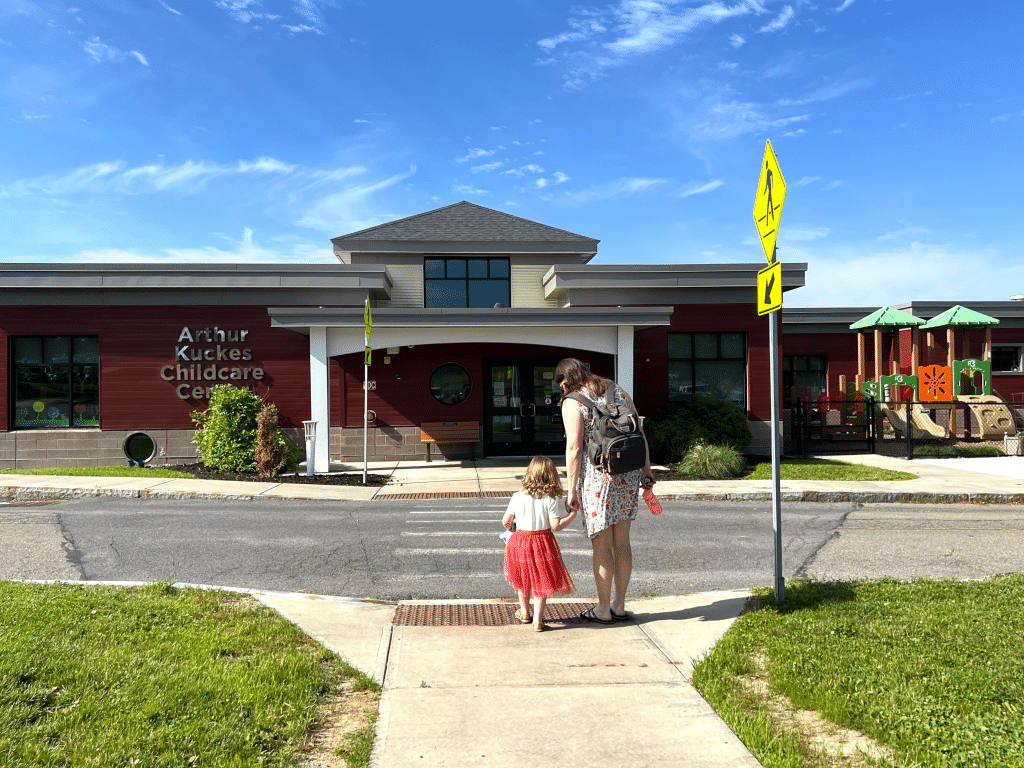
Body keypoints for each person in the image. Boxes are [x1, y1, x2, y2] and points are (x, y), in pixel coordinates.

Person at [556, 357, 654, 624]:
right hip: (628, 474)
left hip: (598, 478)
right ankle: (619, 605)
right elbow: (639, 430)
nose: (561, 388)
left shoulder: (573, 401)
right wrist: (646, 470)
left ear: (566, 379)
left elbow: (575, 448)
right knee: (622, 542)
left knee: (601, 546)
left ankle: (602, 609)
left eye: (560, 383)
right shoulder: (616, 390)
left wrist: (571, 490)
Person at [502, 456, 577, 632]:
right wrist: (572, 515)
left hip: (520, 541)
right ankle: (538, 621)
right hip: (543, 541)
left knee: (522, 579)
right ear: (551, 476)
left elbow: (506, 522)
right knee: (541, 581)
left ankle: (524, 612)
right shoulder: (550, 499)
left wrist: (513, 525)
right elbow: (555, 526)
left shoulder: (517, 496)